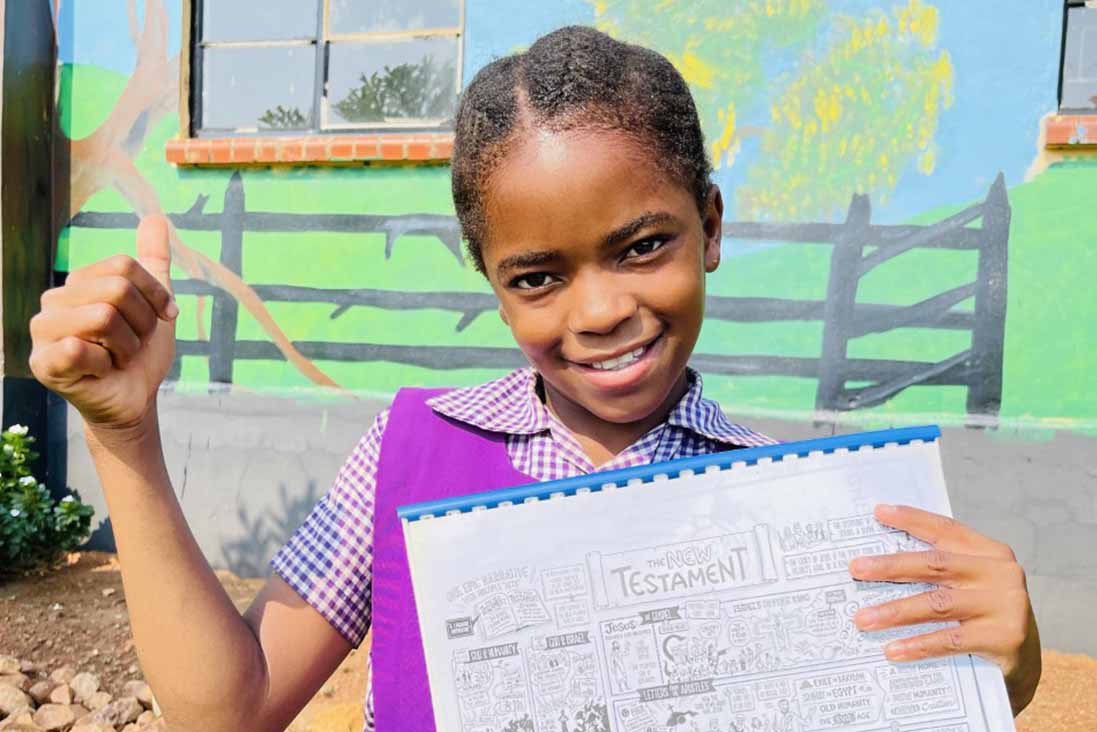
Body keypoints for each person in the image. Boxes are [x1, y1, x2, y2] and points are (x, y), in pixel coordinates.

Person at [28, 25, 1041, 732]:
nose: (598, 310)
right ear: (490, 281)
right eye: (537, 275)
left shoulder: (796, 515)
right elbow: (227, 711)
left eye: (642, 245)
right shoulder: (409, 455)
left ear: (712, 228)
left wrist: (1007, 663)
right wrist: (123, 438)